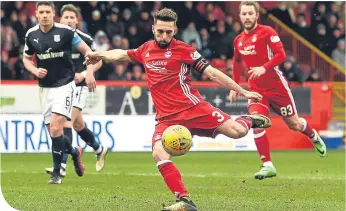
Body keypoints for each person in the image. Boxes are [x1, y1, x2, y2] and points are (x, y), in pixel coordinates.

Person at [85, 8, 272, 211]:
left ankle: (249, 119)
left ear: (175, 29)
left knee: (238, 132)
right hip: (166, 119)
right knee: (158, 153)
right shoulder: (145, 49)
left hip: (194, 109)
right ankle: (185, 200)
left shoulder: (185, 50)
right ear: (153, 28)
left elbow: (212, 73)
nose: (164, 36)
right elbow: (121, 54)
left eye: (168, 32)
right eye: (160, 31)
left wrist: (242, 91)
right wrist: (99, 55)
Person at [230, 1, 327, 180]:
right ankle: (267, 164)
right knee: (256, 121)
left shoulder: (267, 32)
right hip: (256, 90)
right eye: (244, 14)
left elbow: (281, 55)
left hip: (277, 88)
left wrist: (264, 68)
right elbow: (236, 63)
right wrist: (235, 87)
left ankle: (312, 135)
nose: (247, 17)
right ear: (240, 16)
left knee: (294, 125)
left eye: (250, 13)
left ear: (256, 15)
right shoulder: (238, 40)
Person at [23, 1, 97, 184]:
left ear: (53, 13)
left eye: (48, 12)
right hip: (45, 88)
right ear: (36, 14)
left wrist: (89, 74)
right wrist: (34, 71)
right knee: (54, 134)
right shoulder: (31, 35)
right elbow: (26, 59)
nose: (45, 15)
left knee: (57, 127)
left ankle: (57, 173)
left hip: (65, 85)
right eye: (42, 12)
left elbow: (87, 52)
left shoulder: (66, 32)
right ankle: (74, 153)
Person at [44, 4, 107, 178]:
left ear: (77, 21)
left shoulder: (84, 38)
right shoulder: (54, 38)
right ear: (60, 19)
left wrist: (86, 73)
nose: (69, 20)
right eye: (66, 17)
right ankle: (99, 149)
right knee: (78, 125)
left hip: (79, 86)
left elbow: (98, 60)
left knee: (67, 122)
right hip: (61, 87)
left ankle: (61, 166)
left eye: (73, 17)